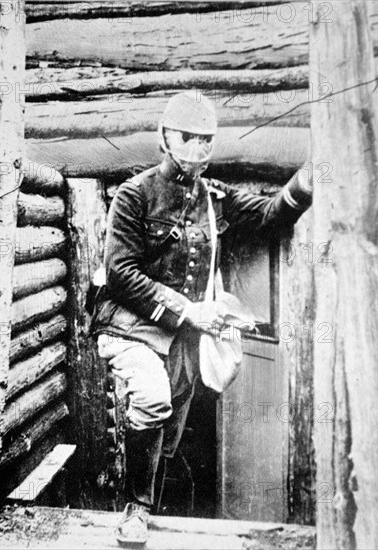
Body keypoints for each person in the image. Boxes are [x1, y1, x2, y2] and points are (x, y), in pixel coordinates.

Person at [90, 90, 312, 545]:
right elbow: (119, 273)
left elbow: (270, 215)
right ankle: (135, 510)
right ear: (165, 138)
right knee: (151, 399)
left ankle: (158, 510)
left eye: (206, 140)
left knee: (168, 436)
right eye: (187, 137)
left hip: (180, 339)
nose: (197, 148)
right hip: (128, 325)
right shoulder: (135, 196)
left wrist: (305, 185)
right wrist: (190, 310)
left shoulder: (213, 198)